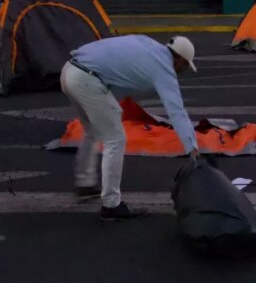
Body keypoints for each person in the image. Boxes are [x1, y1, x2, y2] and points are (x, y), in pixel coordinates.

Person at [61, 35, 200, 220]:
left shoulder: (147, 43)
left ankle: (85, 183)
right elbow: (177, 112)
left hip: (70, 70)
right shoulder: (164, 68)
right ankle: (111, 205)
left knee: (93, 131)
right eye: (184, 66)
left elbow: (117, 73)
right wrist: (193, 149)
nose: (182, 70)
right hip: (87, 80)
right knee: (116, 139)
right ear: (179, 59)